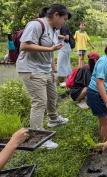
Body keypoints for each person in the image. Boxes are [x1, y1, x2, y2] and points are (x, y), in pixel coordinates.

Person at [16, 4, 71, 149]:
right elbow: (24, 46)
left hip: (46, 69)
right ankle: (39, 138)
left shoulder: (54, 30)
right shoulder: (36, 24)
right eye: (64, 19)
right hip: (31, 69)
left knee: (52, 95)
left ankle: (53, 119)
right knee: (39, 102)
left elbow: (50, 53)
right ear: (56, 15)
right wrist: (50, 48)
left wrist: (55, 71)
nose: (64, 23)